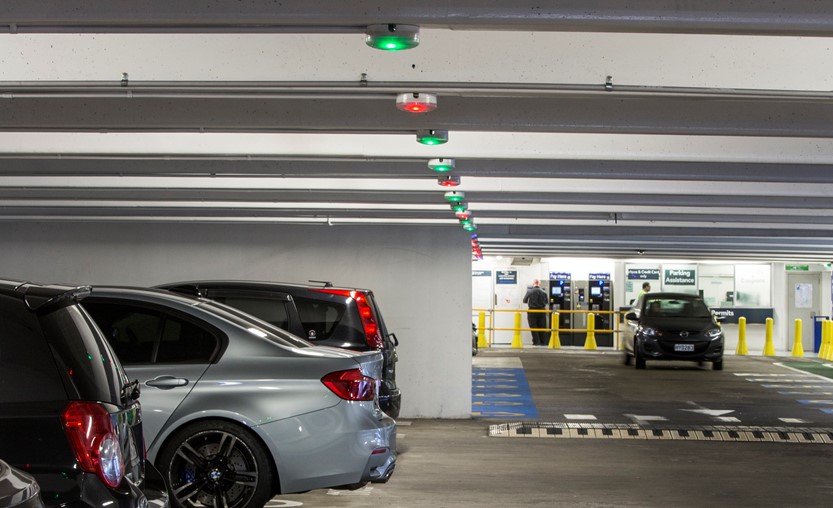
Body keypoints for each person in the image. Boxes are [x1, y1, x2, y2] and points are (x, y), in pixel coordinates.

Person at [523, 279, 549, 346]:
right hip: (542, 311)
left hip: (532, 311)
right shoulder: (544, 292)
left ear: (533, 284)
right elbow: (546, 302)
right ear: (539, 284)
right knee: (542, 327)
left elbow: (524, 300)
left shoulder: (529, 291)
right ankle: (543, 343)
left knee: (533, 327)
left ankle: (536, 343)